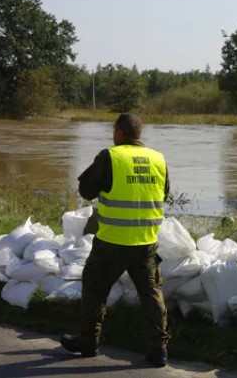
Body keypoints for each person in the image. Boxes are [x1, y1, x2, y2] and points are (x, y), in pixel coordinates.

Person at [60, 113, 171, 367]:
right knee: (151, 294)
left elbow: (86, 191)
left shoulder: (111, 156)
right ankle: (159, 350)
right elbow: (165, 192)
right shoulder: (158, 159)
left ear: (120, 134)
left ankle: (88, 341)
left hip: (112, 242)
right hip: (145, 241)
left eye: (114, 132)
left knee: (95, 289)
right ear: (139, 135)